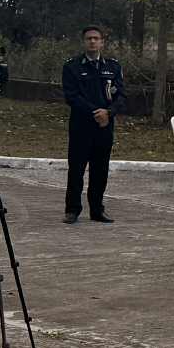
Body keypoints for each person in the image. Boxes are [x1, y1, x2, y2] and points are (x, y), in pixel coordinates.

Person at [60, 25, 126, 225]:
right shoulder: (72, 66)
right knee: (77, 170)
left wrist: (109, 112)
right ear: (84, 41)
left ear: (102, 42)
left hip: (104, 127)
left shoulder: (113, 67)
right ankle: (72, 210)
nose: (92, 41)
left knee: (100, 171)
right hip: (81, 127)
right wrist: (95, 112)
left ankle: (97, 210)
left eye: (96, 38)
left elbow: (121, 96)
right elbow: (71, 96)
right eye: (89, 38)